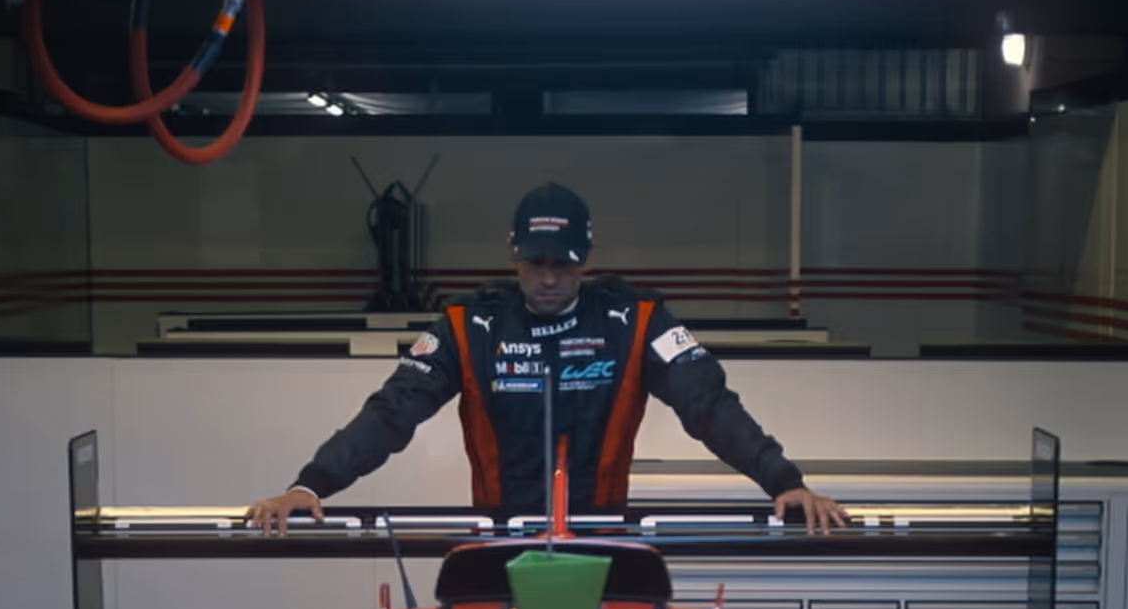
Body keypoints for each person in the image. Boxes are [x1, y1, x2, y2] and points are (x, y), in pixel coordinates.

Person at [244, 182, 849, 534]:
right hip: (496, 538)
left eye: (564, 262)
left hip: (606, 537)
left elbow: (710, 406)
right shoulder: (468, 323)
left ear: (585, 258)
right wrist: (310, 483)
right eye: (538, 262)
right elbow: (391, 413)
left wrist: (785, 482)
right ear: (514, 256)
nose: (551, 277)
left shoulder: (636, 319)